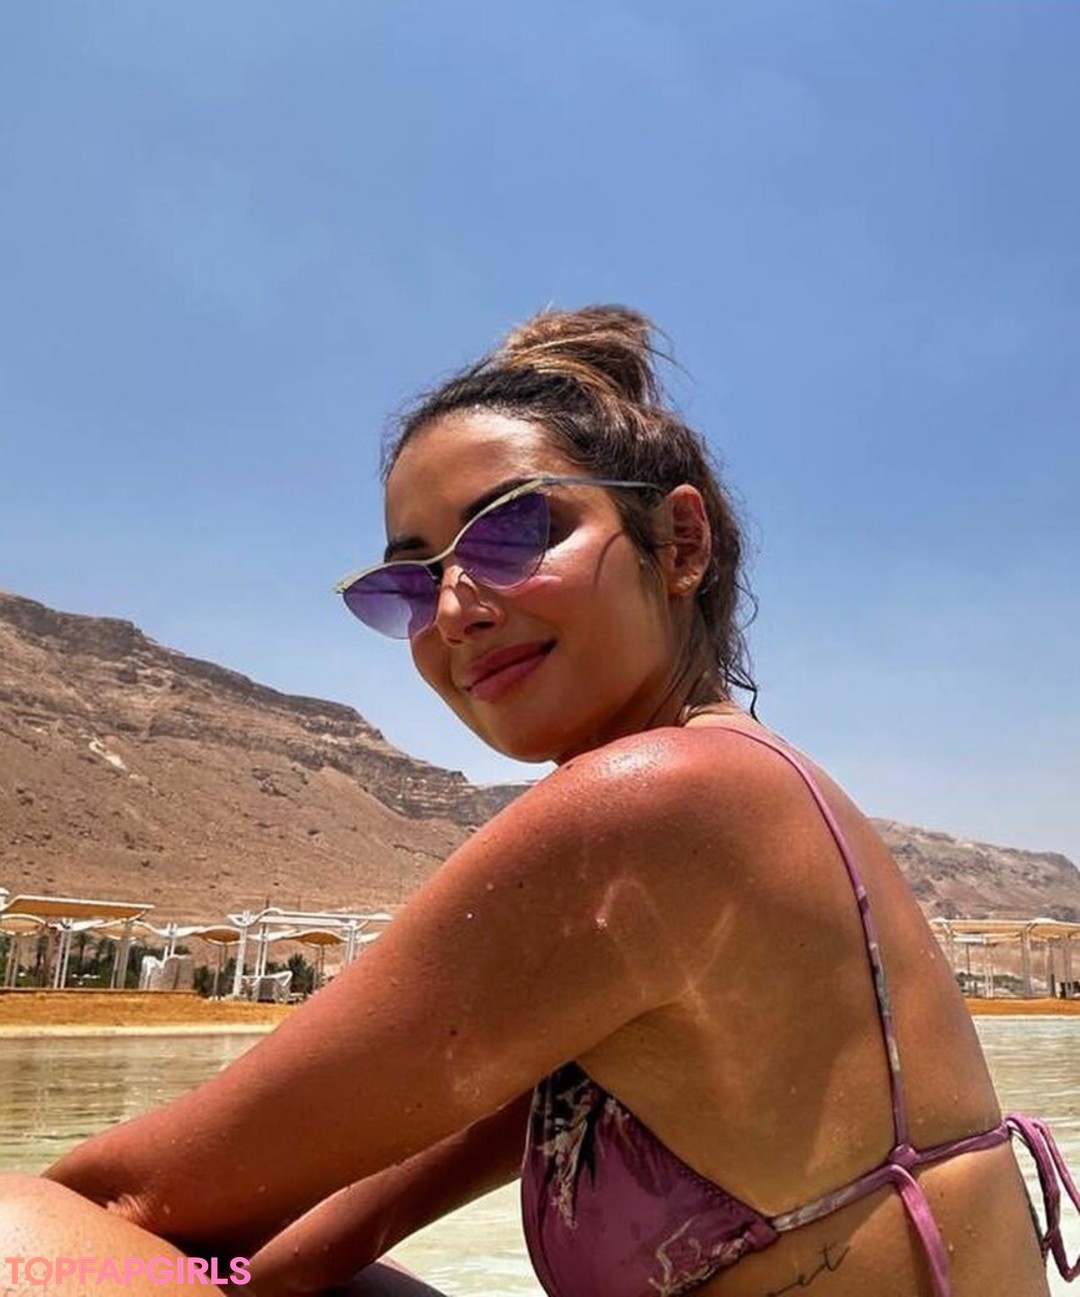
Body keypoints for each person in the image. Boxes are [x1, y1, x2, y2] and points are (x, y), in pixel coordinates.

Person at [2, 305, 1077, 1297]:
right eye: (410, 582)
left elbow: (119, 1201)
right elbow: (313, 1234)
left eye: (515, 532)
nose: (456, 609)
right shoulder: (734, 802)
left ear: (682, 544)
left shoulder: (656, 808)